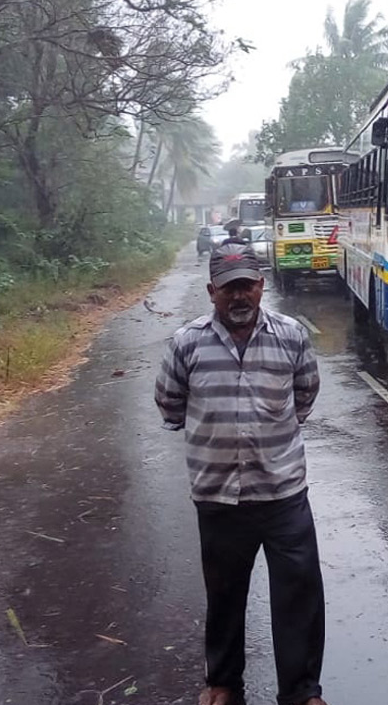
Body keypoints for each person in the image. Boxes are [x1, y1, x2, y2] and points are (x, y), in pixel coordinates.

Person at [154, 242, 327, 705]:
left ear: (261, 286)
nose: (239, 296)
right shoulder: (187, 342)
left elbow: (305, 394)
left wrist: (272, 434)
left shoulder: (291, 336)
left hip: (283, 491)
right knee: (225, 594)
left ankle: (302, 691)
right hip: (218, 495)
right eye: (229, 288)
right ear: (212, 291)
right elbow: (169, 403)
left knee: (299, 595)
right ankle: (223, 683)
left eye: (247, 286)